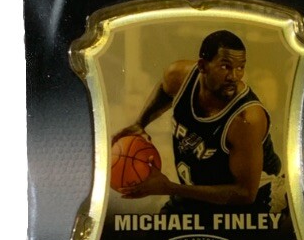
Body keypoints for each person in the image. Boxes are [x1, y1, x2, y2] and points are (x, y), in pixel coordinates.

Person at [113, 29, 281, 212]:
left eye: (240, 67)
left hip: (254, 202)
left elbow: (245, 193)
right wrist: (141, 123)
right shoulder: (178, 76)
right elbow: (164, 89)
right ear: (202, 66)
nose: (234, 76)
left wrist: (170, 188)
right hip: (197, 192)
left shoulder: (246, 118)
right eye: (225, 67)